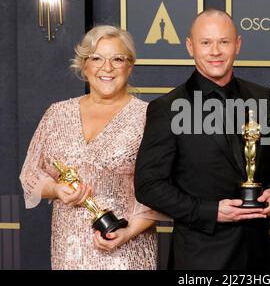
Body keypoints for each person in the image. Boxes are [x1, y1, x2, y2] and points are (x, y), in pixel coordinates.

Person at [134, 9, 270, 269]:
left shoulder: (263, 98)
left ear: (238, 45)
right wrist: (210, 212)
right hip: (199, 257)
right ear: (190, 46)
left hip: (255, 254)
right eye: (206, 42)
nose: (215, 51)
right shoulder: (167, 108)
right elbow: (148, 185)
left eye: (224, 42)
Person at [20, 25, 166, 269]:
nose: (106, 68)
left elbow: (161, 187)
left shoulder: (149, 117)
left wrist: (128, 232)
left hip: (126, 249)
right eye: (96, 58)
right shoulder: (57, 113)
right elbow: (31, 174)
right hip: (69, 248)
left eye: (117, 59)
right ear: (84, 65)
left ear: (130, 66)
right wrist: (56, 189)